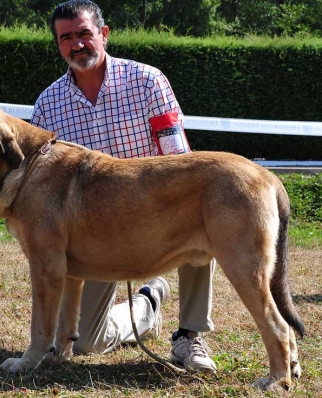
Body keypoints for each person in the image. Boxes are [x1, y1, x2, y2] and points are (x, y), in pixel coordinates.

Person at [30, 0, 217, 373]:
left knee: (196, 206)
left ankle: (189, 335)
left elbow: (178, 156)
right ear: (58, 45)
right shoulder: (47, 105)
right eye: (66, 37)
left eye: (84, 33)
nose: (77, 44)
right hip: (95, 230)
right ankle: (147, 304)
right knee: (86, 343)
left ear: (104, 34)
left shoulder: (147, 80)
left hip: (158, 211)